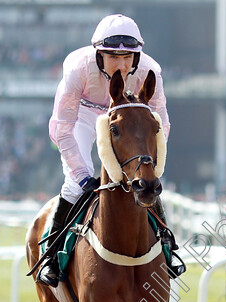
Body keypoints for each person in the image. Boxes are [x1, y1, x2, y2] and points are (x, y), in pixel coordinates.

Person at [38, 14, 183, 287]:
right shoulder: (77, 68)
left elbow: (161, 125)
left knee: (146, 180)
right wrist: (82, 175)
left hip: (125, 117)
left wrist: (151, 167)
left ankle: (168, 248)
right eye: (113, 57)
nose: (122, 65)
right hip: (81, 115)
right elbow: (63, 129)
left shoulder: (151, 72)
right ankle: (51, 257)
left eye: (128, 57)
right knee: (74, 185)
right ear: (98, 54)